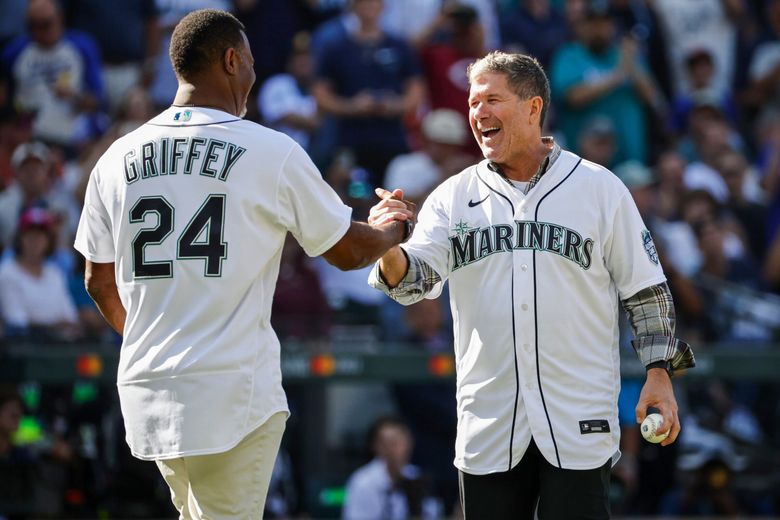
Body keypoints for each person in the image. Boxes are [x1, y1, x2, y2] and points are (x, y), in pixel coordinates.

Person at [73, 9, 414, 519]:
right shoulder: (268, 149)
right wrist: (391, 227)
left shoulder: (115, 157)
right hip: (230, 389)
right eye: (251, 61)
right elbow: (344, 250)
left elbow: (98, 281)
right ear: (232, 60)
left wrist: (154, 339)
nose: (254, 74)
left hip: (148, 388)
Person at [368, 51, 695, 519]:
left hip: (576, 414)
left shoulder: (598, 187)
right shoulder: (453, 196)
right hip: (490, 417)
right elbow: (413, 283)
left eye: (491, 100)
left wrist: (659, 374)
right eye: (472, 103)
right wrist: (385, 244)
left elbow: (645, 290)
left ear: (533, 107)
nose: (478, 113)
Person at [342, 416, 436, 520]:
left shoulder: (415, 476)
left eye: (398, 442)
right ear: (375, 446)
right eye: (388, 443)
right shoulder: (362, 482)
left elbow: (432, 514)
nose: (394, 449)